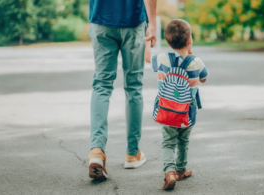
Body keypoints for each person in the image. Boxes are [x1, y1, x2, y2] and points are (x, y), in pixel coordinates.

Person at [88, 0, 157, 181]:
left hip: (101, 18)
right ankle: (132, 154)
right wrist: (153, 25)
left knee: (102, 85)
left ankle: (96, 150)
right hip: (133, 21)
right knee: (133, 87)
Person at [144, 19, 209, 190]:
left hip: (166, 111)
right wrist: (191, 53)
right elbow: (203, 78)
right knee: (183, 140)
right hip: (188, 112)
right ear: (189, 40)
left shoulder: (162, 59)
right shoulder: (197, 62)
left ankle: (169, 172)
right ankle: (181, 170)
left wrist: (148, 42)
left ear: (168, 41)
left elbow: (147, 58)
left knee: (168, 142)